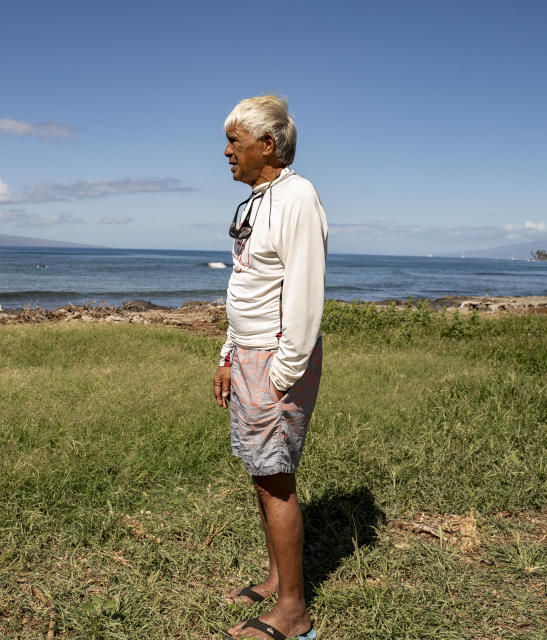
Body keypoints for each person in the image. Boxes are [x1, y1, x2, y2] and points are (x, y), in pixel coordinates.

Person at [214, 95, 327, 640]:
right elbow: (247, 286)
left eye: (235, 140)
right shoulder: (258, 200)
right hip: (250, 355)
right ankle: (278, 581)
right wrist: (227, 355)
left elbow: (305, 295)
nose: (227, 151)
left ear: (268, 145)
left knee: (276, 479)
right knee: (264, 474)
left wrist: (281, 374)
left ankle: (293, 612)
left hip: (277, 359)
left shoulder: (296, 197)